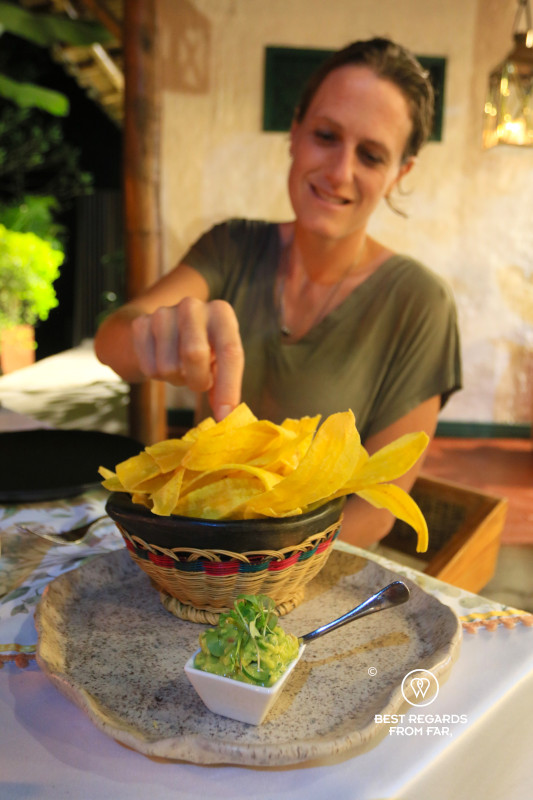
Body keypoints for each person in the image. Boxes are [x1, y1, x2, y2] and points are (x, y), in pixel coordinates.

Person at [95, 37, 462, 549]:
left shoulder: (420, 304)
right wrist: (151, 335)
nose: (339, 171)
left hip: (303, 577)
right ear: (295, 132)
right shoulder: (231, 247)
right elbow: (112, 342)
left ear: (401, 173)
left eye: (372, 155)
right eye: (326, 135)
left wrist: (254, 582)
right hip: (200, 562)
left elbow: (374, 514)